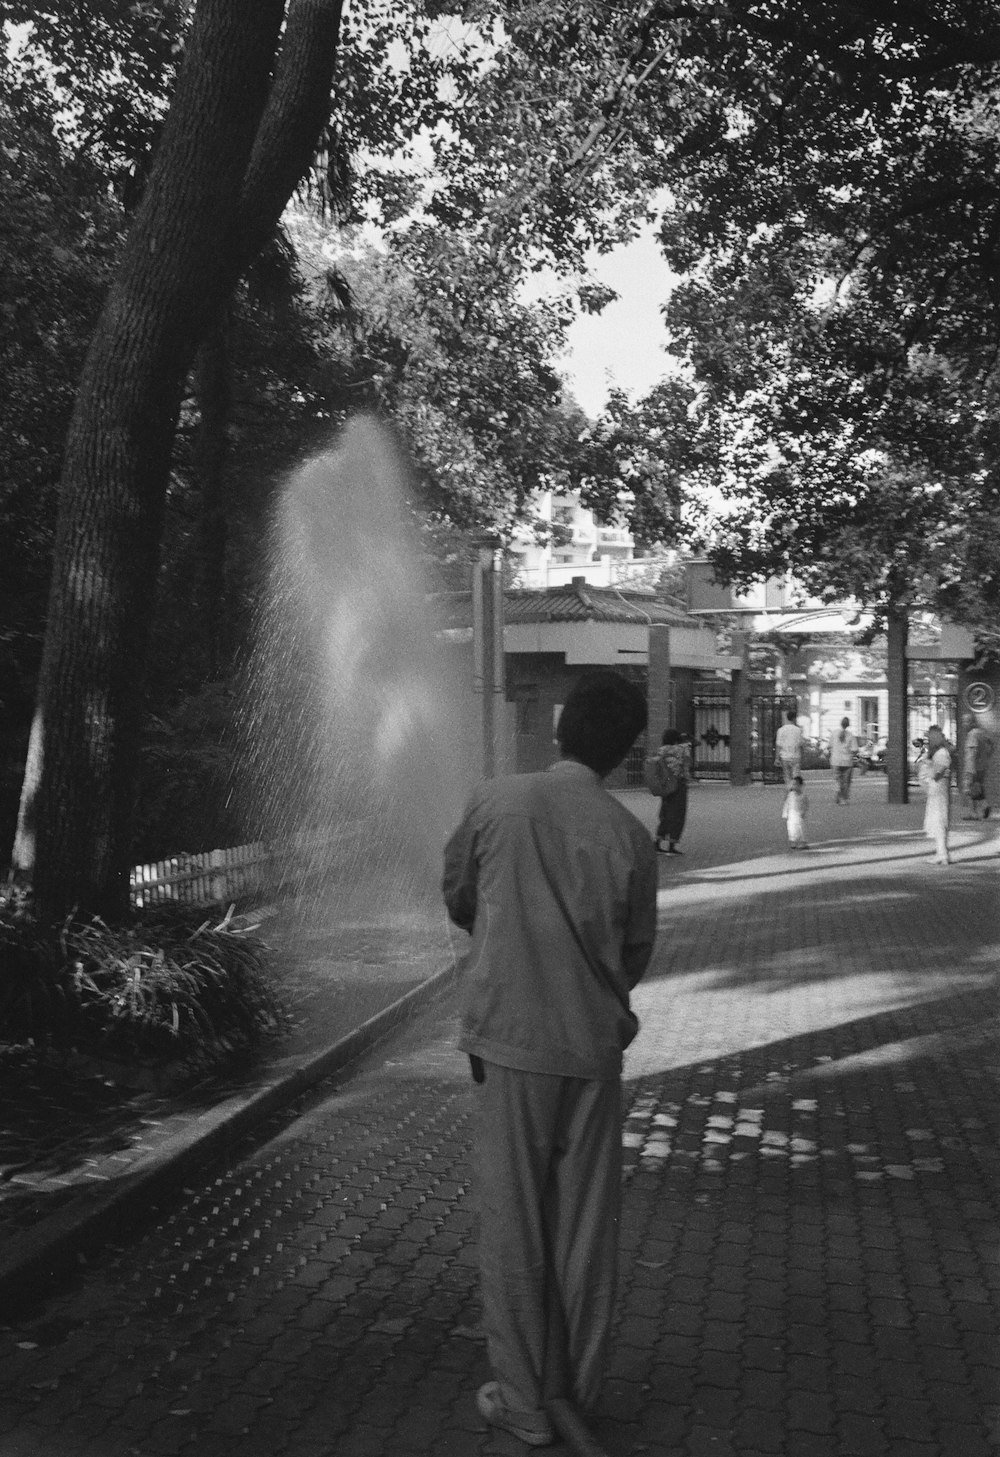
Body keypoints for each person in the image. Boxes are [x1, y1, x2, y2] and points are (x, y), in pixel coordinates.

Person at [442, 670, 658, 1448]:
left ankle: (527, 1403)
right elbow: (635, 951)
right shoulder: (629, 834)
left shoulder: (497, 799)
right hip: (592, 1046)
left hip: (511, 1040)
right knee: (586, 1230)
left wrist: (511, 945)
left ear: (562, 728)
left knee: (514, 1224)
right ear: (623, 750)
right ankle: (578, 1389)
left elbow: (460, 895)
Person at [654, 727, 691, 854]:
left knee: (665, 812)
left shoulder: (661, 751)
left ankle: (658, 842)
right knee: (678, 814)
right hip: (679, 785)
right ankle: (672, 845)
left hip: (665, 785)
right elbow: (686, 764)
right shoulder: (681, 750)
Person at [921, 723, 953, 865]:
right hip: (938, 792)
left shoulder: (941, 754)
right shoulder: (941, 753)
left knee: (939, 822)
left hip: (939, 793)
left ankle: (942, 854)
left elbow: (935, 773)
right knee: (939, 823)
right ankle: (941, 853)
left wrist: (927, 764)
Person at [960, 713, 993, 821]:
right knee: (977, 788)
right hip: (982, 767)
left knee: (970, 789)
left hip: (973, 767)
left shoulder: (972, 735)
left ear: (972, 722)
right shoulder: (982, 733)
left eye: (966, 722)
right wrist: (985, 760)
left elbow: (972, 752)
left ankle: (974, 813)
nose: (964, 724)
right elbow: (991, 746)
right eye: (963, 722)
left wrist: (970, 769)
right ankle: (984, 806)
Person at [829, 716, 859, 804]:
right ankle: (844, 799)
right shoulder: (851, 735)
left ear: (840, 723)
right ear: (848, 725)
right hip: (847, 762)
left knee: (837, 779)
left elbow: (830, 745)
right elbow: (854, 749)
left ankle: (838, 794)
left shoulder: (834, 733)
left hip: (835, 760)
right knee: (846, 781)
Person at [775, 708, 804, 785]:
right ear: (794, 718)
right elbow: (801, 744)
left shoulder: (781, 730)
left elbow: (778, 745)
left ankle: (789, 791)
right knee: (796, 776)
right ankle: (795, 792)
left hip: (784, 756)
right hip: (795, 756)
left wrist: (777, 758)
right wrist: (802, 756)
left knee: (787, 776)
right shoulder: (798, 730)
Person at [782, 774, 809, 849]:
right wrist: (785, 813)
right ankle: (793, 842)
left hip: (799, 813)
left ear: (801, 785)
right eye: (793, 784)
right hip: (791, 814)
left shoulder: (803, 795)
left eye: (796, 784)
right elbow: (787, 803)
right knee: (791, 828)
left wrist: (804, 811)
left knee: (801, 828)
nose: (794, 786)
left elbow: (806, 804)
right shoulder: (790, 794)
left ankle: (803, 842)